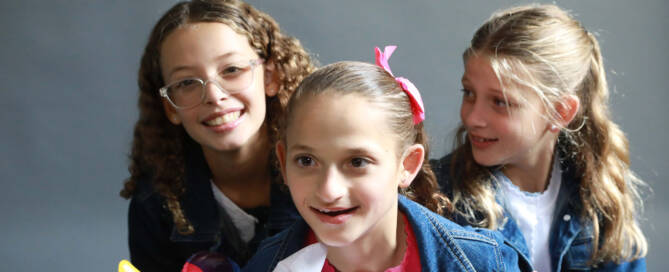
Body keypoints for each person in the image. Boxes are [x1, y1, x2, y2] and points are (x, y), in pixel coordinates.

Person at [244, 46, 525, 272]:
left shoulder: (484, 263)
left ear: (407, 165)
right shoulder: (266, 265)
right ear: (283, 161)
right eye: (306, 161)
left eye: (357, 162)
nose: (329, 190)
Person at [432, 4, 648, 271]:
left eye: (500, 102)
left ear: (560, 111)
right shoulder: (437, 196)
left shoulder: (599, 194)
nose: (473, 117)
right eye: (469, 93)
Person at [118, 0, 315, 270]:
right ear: (170, 106)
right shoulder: (156, 202)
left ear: (270, 77)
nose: (214, 96)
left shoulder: (324, 176)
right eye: (186, 82)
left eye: (232, 70)